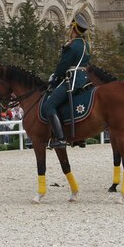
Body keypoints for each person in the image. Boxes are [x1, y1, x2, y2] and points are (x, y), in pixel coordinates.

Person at [40, 14, 91, 149]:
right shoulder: (87, 45)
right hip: (84, 79)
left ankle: (61, 138)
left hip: (72, 79)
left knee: (49, 105)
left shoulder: (72, 46)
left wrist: (55, 77)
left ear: (74, 29)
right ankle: (80, 137)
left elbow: (63, 65)